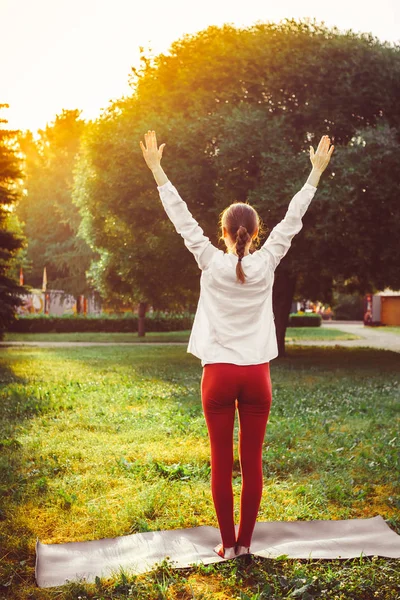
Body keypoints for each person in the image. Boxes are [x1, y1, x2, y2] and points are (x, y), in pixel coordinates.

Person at [140, 130, 334, 559]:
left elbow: (182, 218)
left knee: (221, 465)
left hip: (218, 376)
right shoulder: (267, 261)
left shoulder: (210, 260)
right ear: (256, 232)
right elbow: (293, 219)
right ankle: (245, 545)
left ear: (224, 232)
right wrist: (314, 173)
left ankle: (227, 546)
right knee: (253, 464)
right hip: (257, 378)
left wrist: (157, 169)